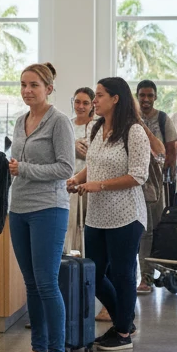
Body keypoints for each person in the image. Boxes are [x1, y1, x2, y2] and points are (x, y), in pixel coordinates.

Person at [67, 78, 150, 352]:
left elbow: (138, 175)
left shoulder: (135, 131)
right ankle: (124, 320)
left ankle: (123, 333)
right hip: (97, 215)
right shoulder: (96, 127)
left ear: (115, 99)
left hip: (127, 215)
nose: (94, 101)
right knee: (93, 274)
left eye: (100, 96)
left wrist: (99, 186)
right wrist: (77, 179)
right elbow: (93, 165)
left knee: (122, 275)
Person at [8, 63, 75, 352]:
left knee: (47, 282)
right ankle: (38, 348)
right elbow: (16, 163)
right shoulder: (20, 121)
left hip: (49, 208)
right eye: (23, 85)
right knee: (31, 283)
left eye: (33, 85)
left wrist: (24, 169)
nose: (27, 90)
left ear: (48, 88)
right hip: (19, 208)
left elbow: (65, 169)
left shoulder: (59, 122)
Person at [135, 79, 177, 293]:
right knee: (143, 231)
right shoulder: (128, 119)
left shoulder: (162, 119)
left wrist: (166, 177)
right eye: (142, 95)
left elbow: (170, 150)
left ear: (155, 97)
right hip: (132, 184)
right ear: (136, 96)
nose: (146, 99)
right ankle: (145, 276)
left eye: (150, 95)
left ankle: (151, 276)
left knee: (153, 230)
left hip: (156, 184)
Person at [64, 86, 95, 257]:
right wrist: (73, 145)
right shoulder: (66, 124)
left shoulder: (96, 126)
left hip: (89, 184)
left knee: (85, 225)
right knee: (69, 226)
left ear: (92, 105)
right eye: (77, 102)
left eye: (85, 103)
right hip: (69, 182)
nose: (80, 106)